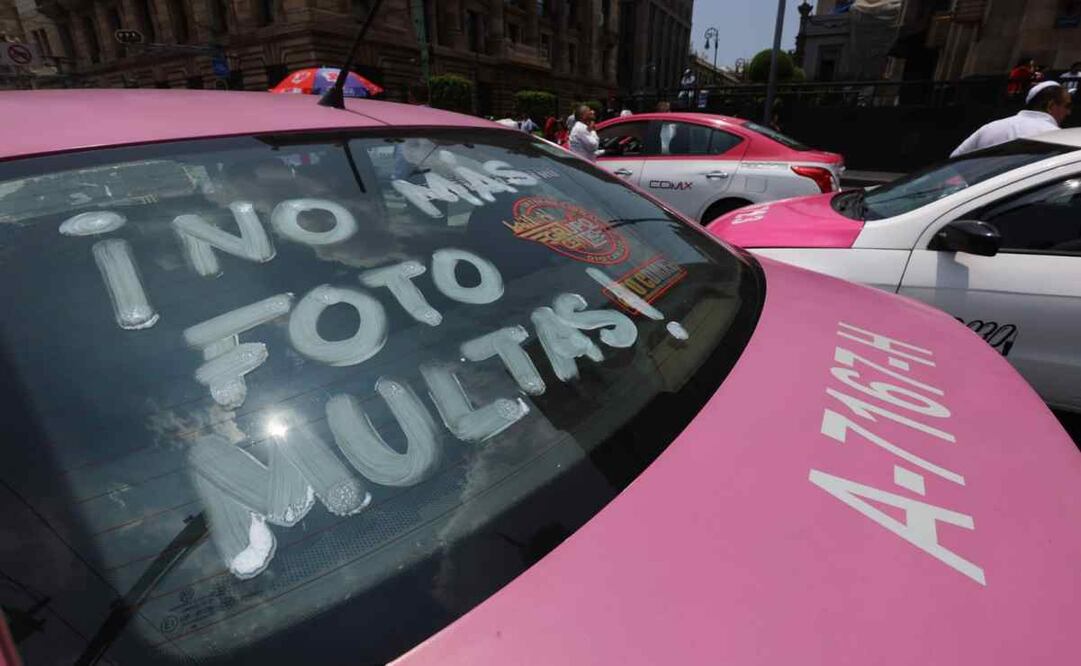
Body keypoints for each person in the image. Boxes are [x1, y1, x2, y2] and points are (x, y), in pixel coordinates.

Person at [950, 81, 1072, 157]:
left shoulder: (991, 127)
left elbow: (955, 159)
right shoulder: (1056, 137)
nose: (1068, 112)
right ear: (1050, 105)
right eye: (1066, 106)